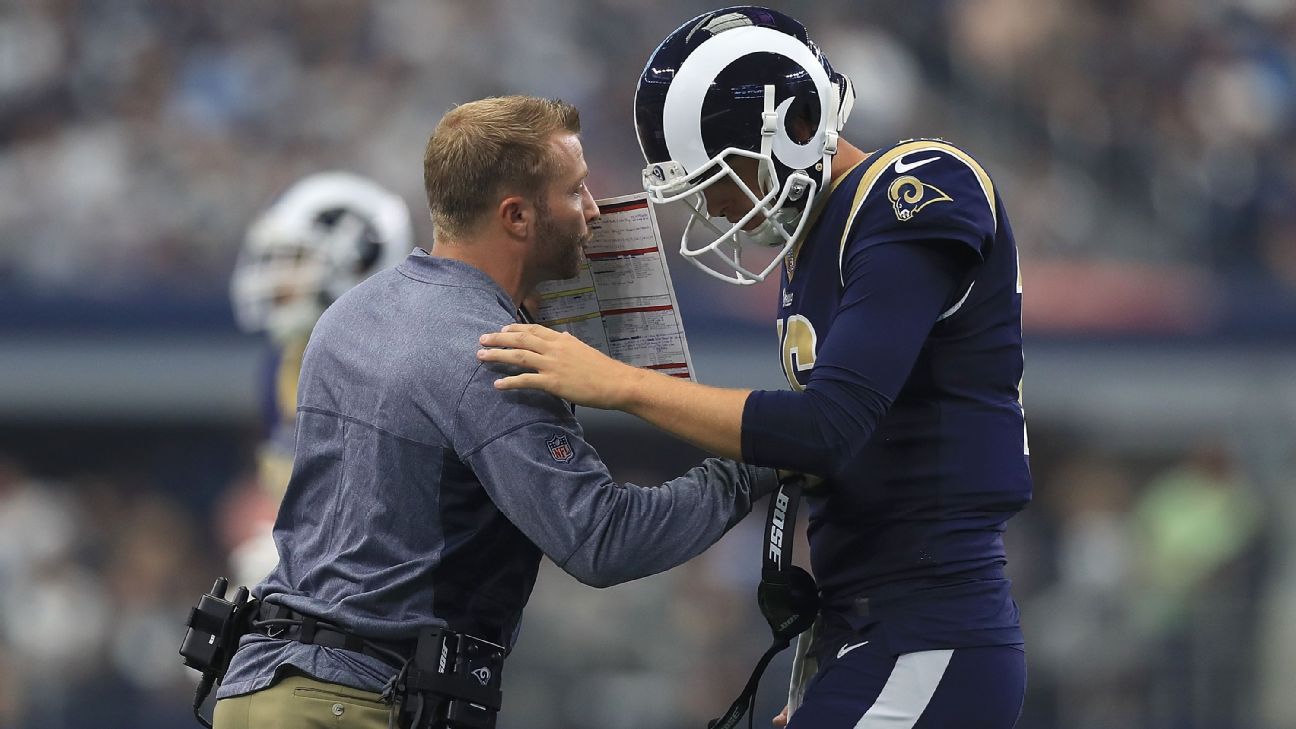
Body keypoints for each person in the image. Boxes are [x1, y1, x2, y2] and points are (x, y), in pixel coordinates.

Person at [477, 7, 1032, 729]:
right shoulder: (820, 239)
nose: (710, 206)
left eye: (720, 178)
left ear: (799, 126)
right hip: (868, 630)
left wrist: (618, 383)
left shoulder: (916, 188)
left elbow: (827, 427)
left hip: (929, 628)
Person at [210, 95, 778, 729]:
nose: (593, 211)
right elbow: (603, 540)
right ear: (517, 216)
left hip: (261, 687)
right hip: (356, 703)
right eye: (577, 191)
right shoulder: (497, 352)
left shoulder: (349, 314)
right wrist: (758, 457)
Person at [227, 171, 414, 589]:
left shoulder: (388, 370)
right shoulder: (286, 363)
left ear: (357, 259)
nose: (276, 279)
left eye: (294, 260)